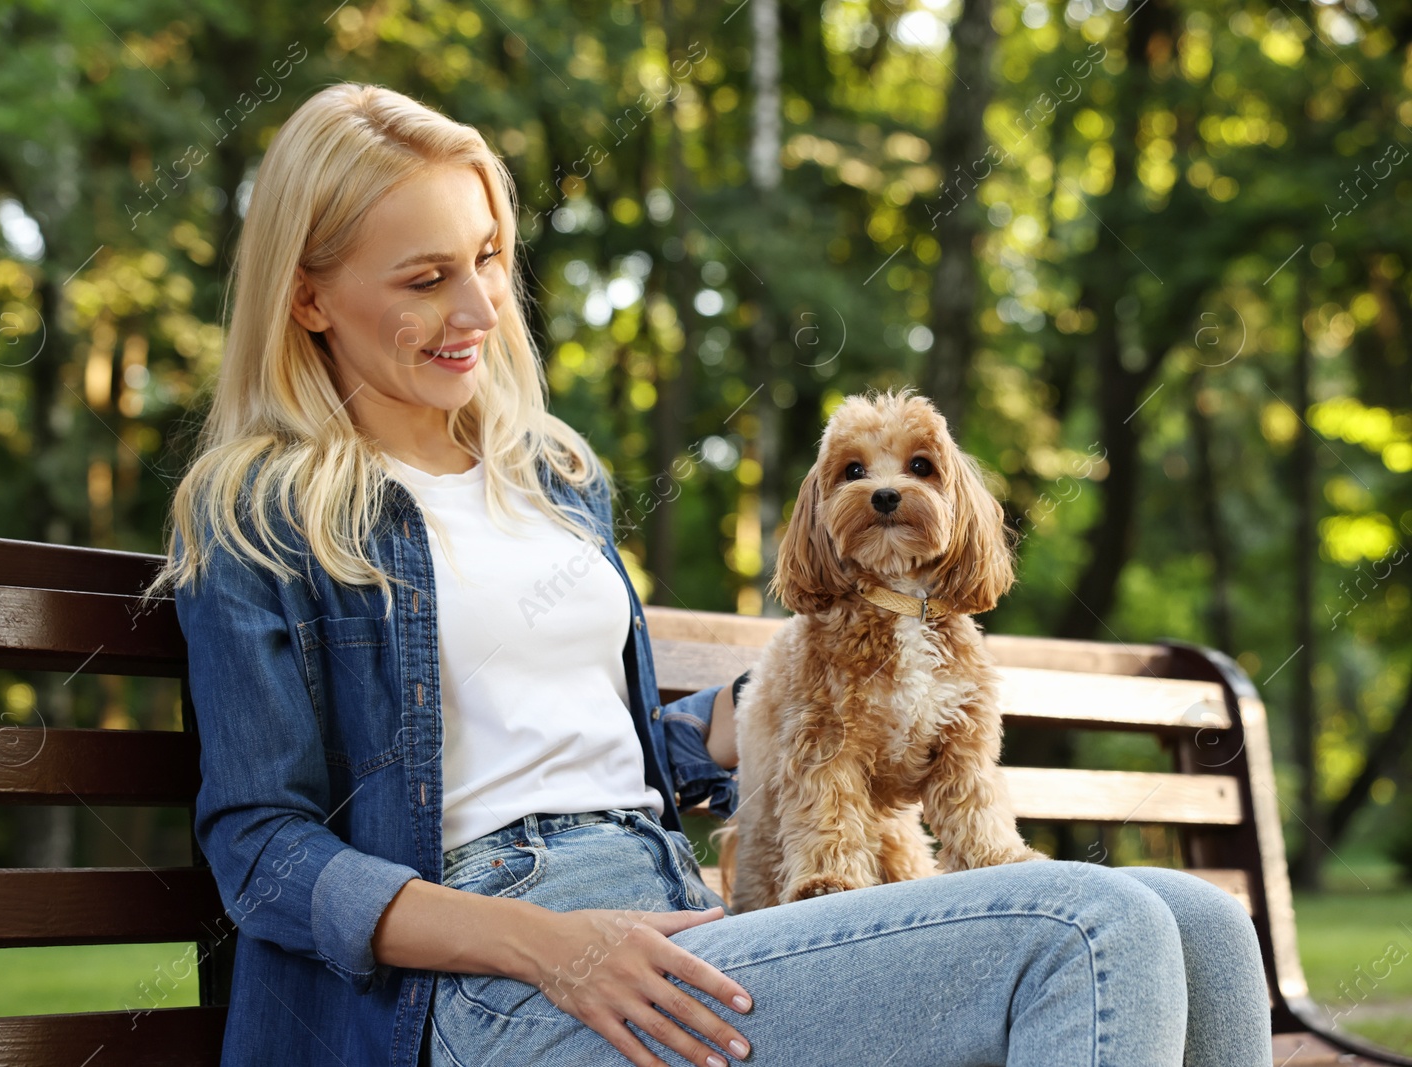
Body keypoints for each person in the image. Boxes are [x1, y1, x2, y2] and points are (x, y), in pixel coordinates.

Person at [149, 82, 1273, 1067]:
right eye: (427, 277)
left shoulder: (543, 475)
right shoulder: (261, 512)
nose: (481, 311)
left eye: (490, 257)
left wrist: (756, 708)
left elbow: (601, 749)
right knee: (1089, 927)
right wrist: (550, 943)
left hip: (676, 906)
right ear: (306, 297)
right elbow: (261, 850)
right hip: (487, 978)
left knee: (1207, 929)